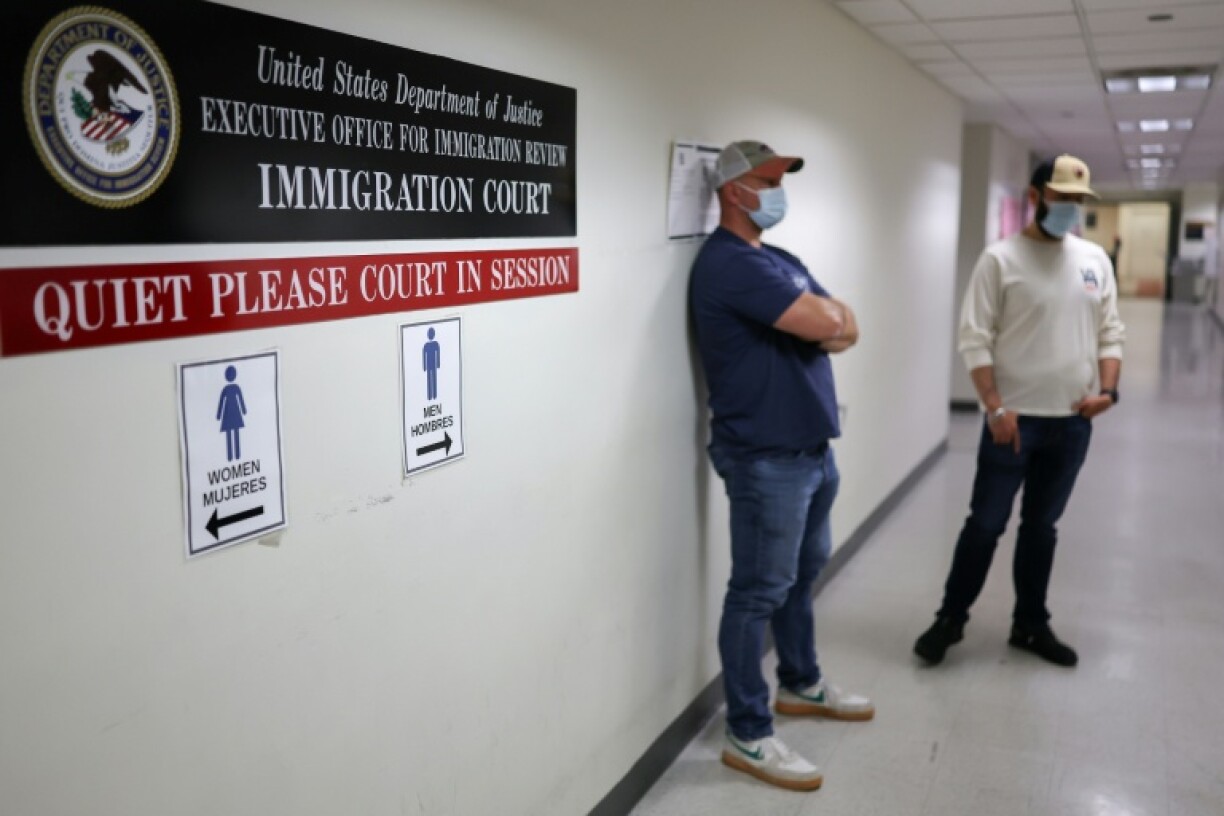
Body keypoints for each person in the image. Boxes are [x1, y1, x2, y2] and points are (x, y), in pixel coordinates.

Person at [689, 140, 873, 792]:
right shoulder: (729, 265)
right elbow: (822, 320)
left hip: (811, 452)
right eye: (767, 180)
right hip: (766, 459)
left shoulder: (781, 259)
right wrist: (820, 320)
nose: (777, 191)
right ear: (734, 191)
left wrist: (824, 320)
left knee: (800, 575)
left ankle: (800, 683)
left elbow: (845, 326)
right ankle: (748, 730)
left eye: (781, 180)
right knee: (757, 592)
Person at [914, 155, 1126, 668]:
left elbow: (1110, 332)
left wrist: (1109, 392)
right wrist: (994, 407)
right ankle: (950, 619)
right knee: (985, 525)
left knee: (1041, 528)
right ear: (1035, 198)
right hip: (1012, 423)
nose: (1070, 208)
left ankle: (1030, 625)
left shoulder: (1095, 259)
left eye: (1077, 200)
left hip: (1072, 422)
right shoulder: (1000, 260)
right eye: (1061, 198)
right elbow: (975, 339)